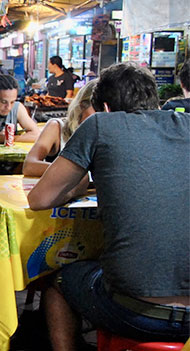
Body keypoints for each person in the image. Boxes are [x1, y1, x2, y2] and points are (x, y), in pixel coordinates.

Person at [27, 62, 190, 350]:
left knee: (59, 280)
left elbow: (39, 199)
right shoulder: (185, 123)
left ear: (104, 107)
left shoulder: (101, 125)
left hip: (137, 312)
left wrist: (80, 183)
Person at [23, 79, 97, 177]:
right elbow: (29, 166)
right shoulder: (57, 127)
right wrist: (71, 173)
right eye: (97, 109)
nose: (102, 115)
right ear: (82, 106)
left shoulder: (109, 133)